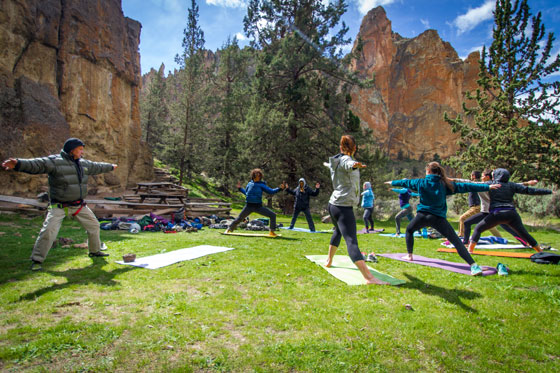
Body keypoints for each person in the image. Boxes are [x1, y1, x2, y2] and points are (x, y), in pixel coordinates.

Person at [2, 138, 117, 271]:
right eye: (80, 149)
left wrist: (110, 167)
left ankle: (95, 251)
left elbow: (97, 166)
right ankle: (37, 260)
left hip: (78, 206)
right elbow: (36, 165)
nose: (82, 152)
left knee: (94, 225)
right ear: (71, 150)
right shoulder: (54, 162)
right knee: (48, 231)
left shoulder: (83, 163)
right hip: (59, 207)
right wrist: (18, 164)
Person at [385, 161, 501, 276]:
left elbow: (406, 183)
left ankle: (409, 255)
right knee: (455, 241)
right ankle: (473, 266)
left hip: (422, 216)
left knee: (409, 230)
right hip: (438, 218)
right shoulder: (445, 183)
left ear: (428, 171)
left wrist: (391, 182)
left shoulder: (421, 182)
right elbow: (466, 186)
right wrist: (487, 186)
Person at [324, 135, 386, 285]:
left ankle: (329, 260)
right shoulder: (346, 160)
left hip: (333, 204)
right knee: (351, 241)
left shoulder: (336, 160)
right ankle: (369, 278)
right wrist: (355, 164)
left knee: (338, 232)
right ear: (354, 148)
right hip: (343, 207)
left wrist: (354, 164)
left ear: (340, 148)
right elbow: (348, 164)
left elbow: (343, 164)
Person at [468, 168, 552, 253]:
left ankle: (470, 251)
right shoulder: (512, 185)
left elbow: (474, 185)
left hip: (497, 214)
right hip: (512, 214)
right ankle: (540, 252)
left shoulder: (491, 184)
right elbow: (530, 190)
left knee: (478, 229)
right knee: (525, 234)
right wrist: (549, 191)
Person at [460, 169, 537, 245]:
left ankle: (526, 242)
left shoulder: (494, 185)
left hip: (493, 213)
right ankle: (466, 243)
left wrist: (528, 183)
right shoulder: (484, 185)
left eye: (483, 176)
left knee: (511, 229)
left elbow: (516, 185)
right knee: (467, 223)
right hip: (488, 212)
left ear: (487, 177)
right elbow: (469, 183)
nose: (481, 177)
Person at [225, 168, 284, 237]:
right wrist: (240, 189)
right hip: (248, 206)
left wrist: (280, 189)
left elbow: (271, 191)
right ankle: (229, 229)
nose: (258, 176)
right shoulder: (249, 184)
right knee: (239, 218)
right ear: (253, 175)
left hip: (258, 206)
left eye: (259, 175)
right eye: (257, 175)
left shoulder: (261, 185)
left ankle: (272, 232)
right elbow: (247, 193)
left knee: (272, 215)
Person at [457, 171, 482, 239]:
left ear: (473, 176)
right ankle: (499, 237)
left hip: (476, 207)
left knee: (462, 218)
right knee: (488, 223)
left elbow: (463, 183)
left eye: (471, 175)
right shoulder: (477, 183)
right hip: (477, 206)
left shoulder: (474, 183)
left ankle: (461, 235)